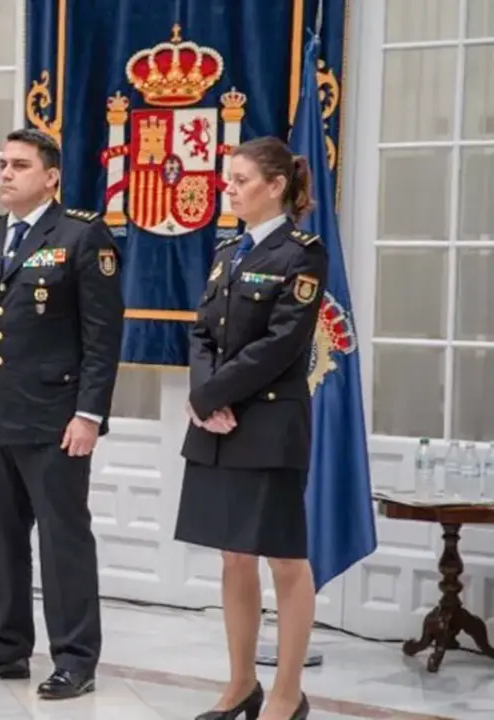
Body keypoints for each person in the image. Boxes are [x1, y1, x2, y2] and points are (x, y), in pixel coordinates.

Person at [0, 128, 124, 700]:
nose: (6, 174)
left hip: (54, 418)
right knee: (1, 535)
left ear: (51, 176)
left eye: (19, 164)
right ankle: (8, 646)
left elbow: (102, 338)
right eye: (2, 164)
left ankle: (75, 657)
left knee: (63, 539)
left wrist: (89, 415)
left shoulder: (83, 235)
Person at [175, 136, 328, 720]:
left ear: (276, 186)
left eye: (239, 180)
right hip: (218, 423)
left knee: (283, 558)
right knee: (233, 556)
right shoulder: (228, 251)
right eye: (228, 179)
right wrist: (202, 394)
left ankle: (287, 692)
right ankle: (241, 683)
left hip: (267, 422)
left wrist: (214, 393)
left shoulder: (302, 253)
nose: (228, 188)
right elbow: (201, 332)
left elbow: (282, 341)